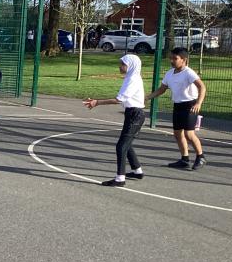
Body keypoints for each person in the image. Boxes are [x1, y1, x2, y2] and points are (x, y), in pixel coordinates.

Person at [83, 54, 145, 186]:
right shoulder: (131, 77)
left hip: (135, 115)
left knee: (121, 146)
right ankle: (137, 170)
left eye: (123, 64)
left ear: (131, 65)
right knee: (127, 144)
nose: (120, 66)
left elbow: (119, 100)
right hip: (133, 113)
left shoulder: (133, 79)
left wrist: (97, 102)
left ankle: (120, 178)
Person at [146, 47, 207, 170]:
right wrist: (147, 97)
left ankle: (201, 157)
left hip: (190, 106)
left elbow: (202, 87)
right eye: (171, 58)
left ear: (183, 60)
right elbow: (162, 89)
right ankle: (184, 159)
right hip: (178, 105)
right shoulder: (169, 73)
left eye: (175, 58)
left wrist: (198, 103)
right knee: (177, 133)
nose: (172, 61)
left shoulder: (189, 73)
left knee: (189, 134)